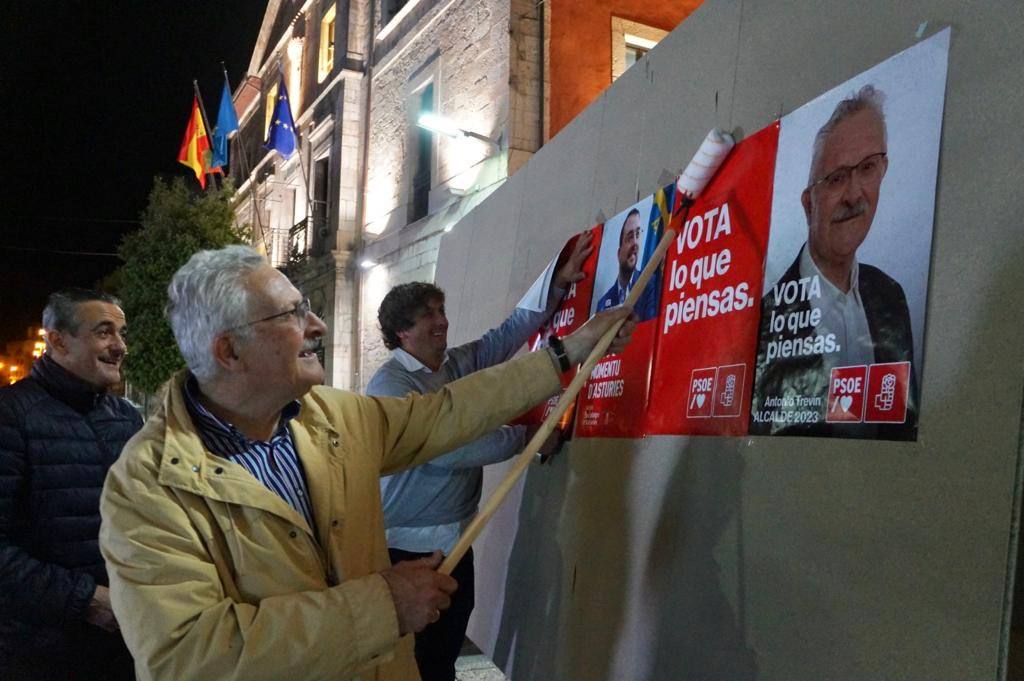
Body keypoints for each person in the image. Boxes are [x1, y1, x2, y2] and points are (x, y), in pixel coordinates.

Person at [98, 245, 635, 681]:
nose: (318, 325)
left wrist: (568, 352)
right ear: (230, 352)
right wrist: (385, 606)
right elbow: (187, 659)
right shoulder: (146, 485)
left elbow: (445, 415)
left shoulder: (333, 416)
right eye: (291, 314)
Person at [367, 233, 591, 681]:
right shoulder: (391, 387)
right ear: (400, 333)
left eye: (441, 311)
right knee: (413, 660)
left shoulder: (455, 365)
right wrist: (530, 438)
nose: (441, 322)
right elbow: (451, 447)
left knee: (444, 650)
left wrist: (559, 286)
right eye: (426, 316)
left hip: (456, 541)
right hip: (405, 551)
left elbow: (506, 337)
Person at [751, 84, 918, 438]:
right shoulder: (763, 322)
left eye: (868, 167)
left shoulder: (891, 296)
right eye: (837, 179)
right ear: (808, 203)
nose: (855, 194)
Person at [0, 289, 141, 680]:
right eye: (104, 332)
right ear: (58, 340)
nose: (120, 346)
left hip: (126, 645)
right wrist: (85, 600)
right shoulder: (11, 415)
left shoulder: (127, 419)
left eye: (121, 333)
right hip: (38, 653)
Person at [595, 208, 658, 320]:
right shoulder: (602, 304)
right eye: (629, 237)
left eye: (637, 234)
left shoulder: (651, 284)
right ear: (619, 254)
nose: (635, 243)